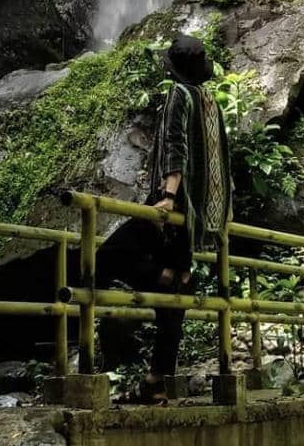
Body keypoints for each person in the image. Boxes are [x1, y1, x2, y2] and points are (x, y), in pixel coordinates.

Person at [98, 31, 232, 403]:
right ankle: (156, 381)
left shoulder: (178, 95)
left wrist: (169, 196)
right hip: (200, 214)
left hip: (172, 208)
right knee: (175, 292)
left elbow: (176, 145)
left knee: (107, 256)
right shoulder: (209, 101)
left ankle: (159, 277)